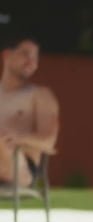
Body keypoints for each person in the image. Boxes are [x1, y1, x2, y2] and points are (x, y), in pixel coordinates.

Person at [0, 30, 59, 187]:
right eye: (25, 54)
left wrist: (17, 138)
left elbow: (48, 142)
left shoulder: (40, 96)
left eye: (35, 57)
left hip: (21, 167)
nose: (31, 62)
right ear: (6, 55)